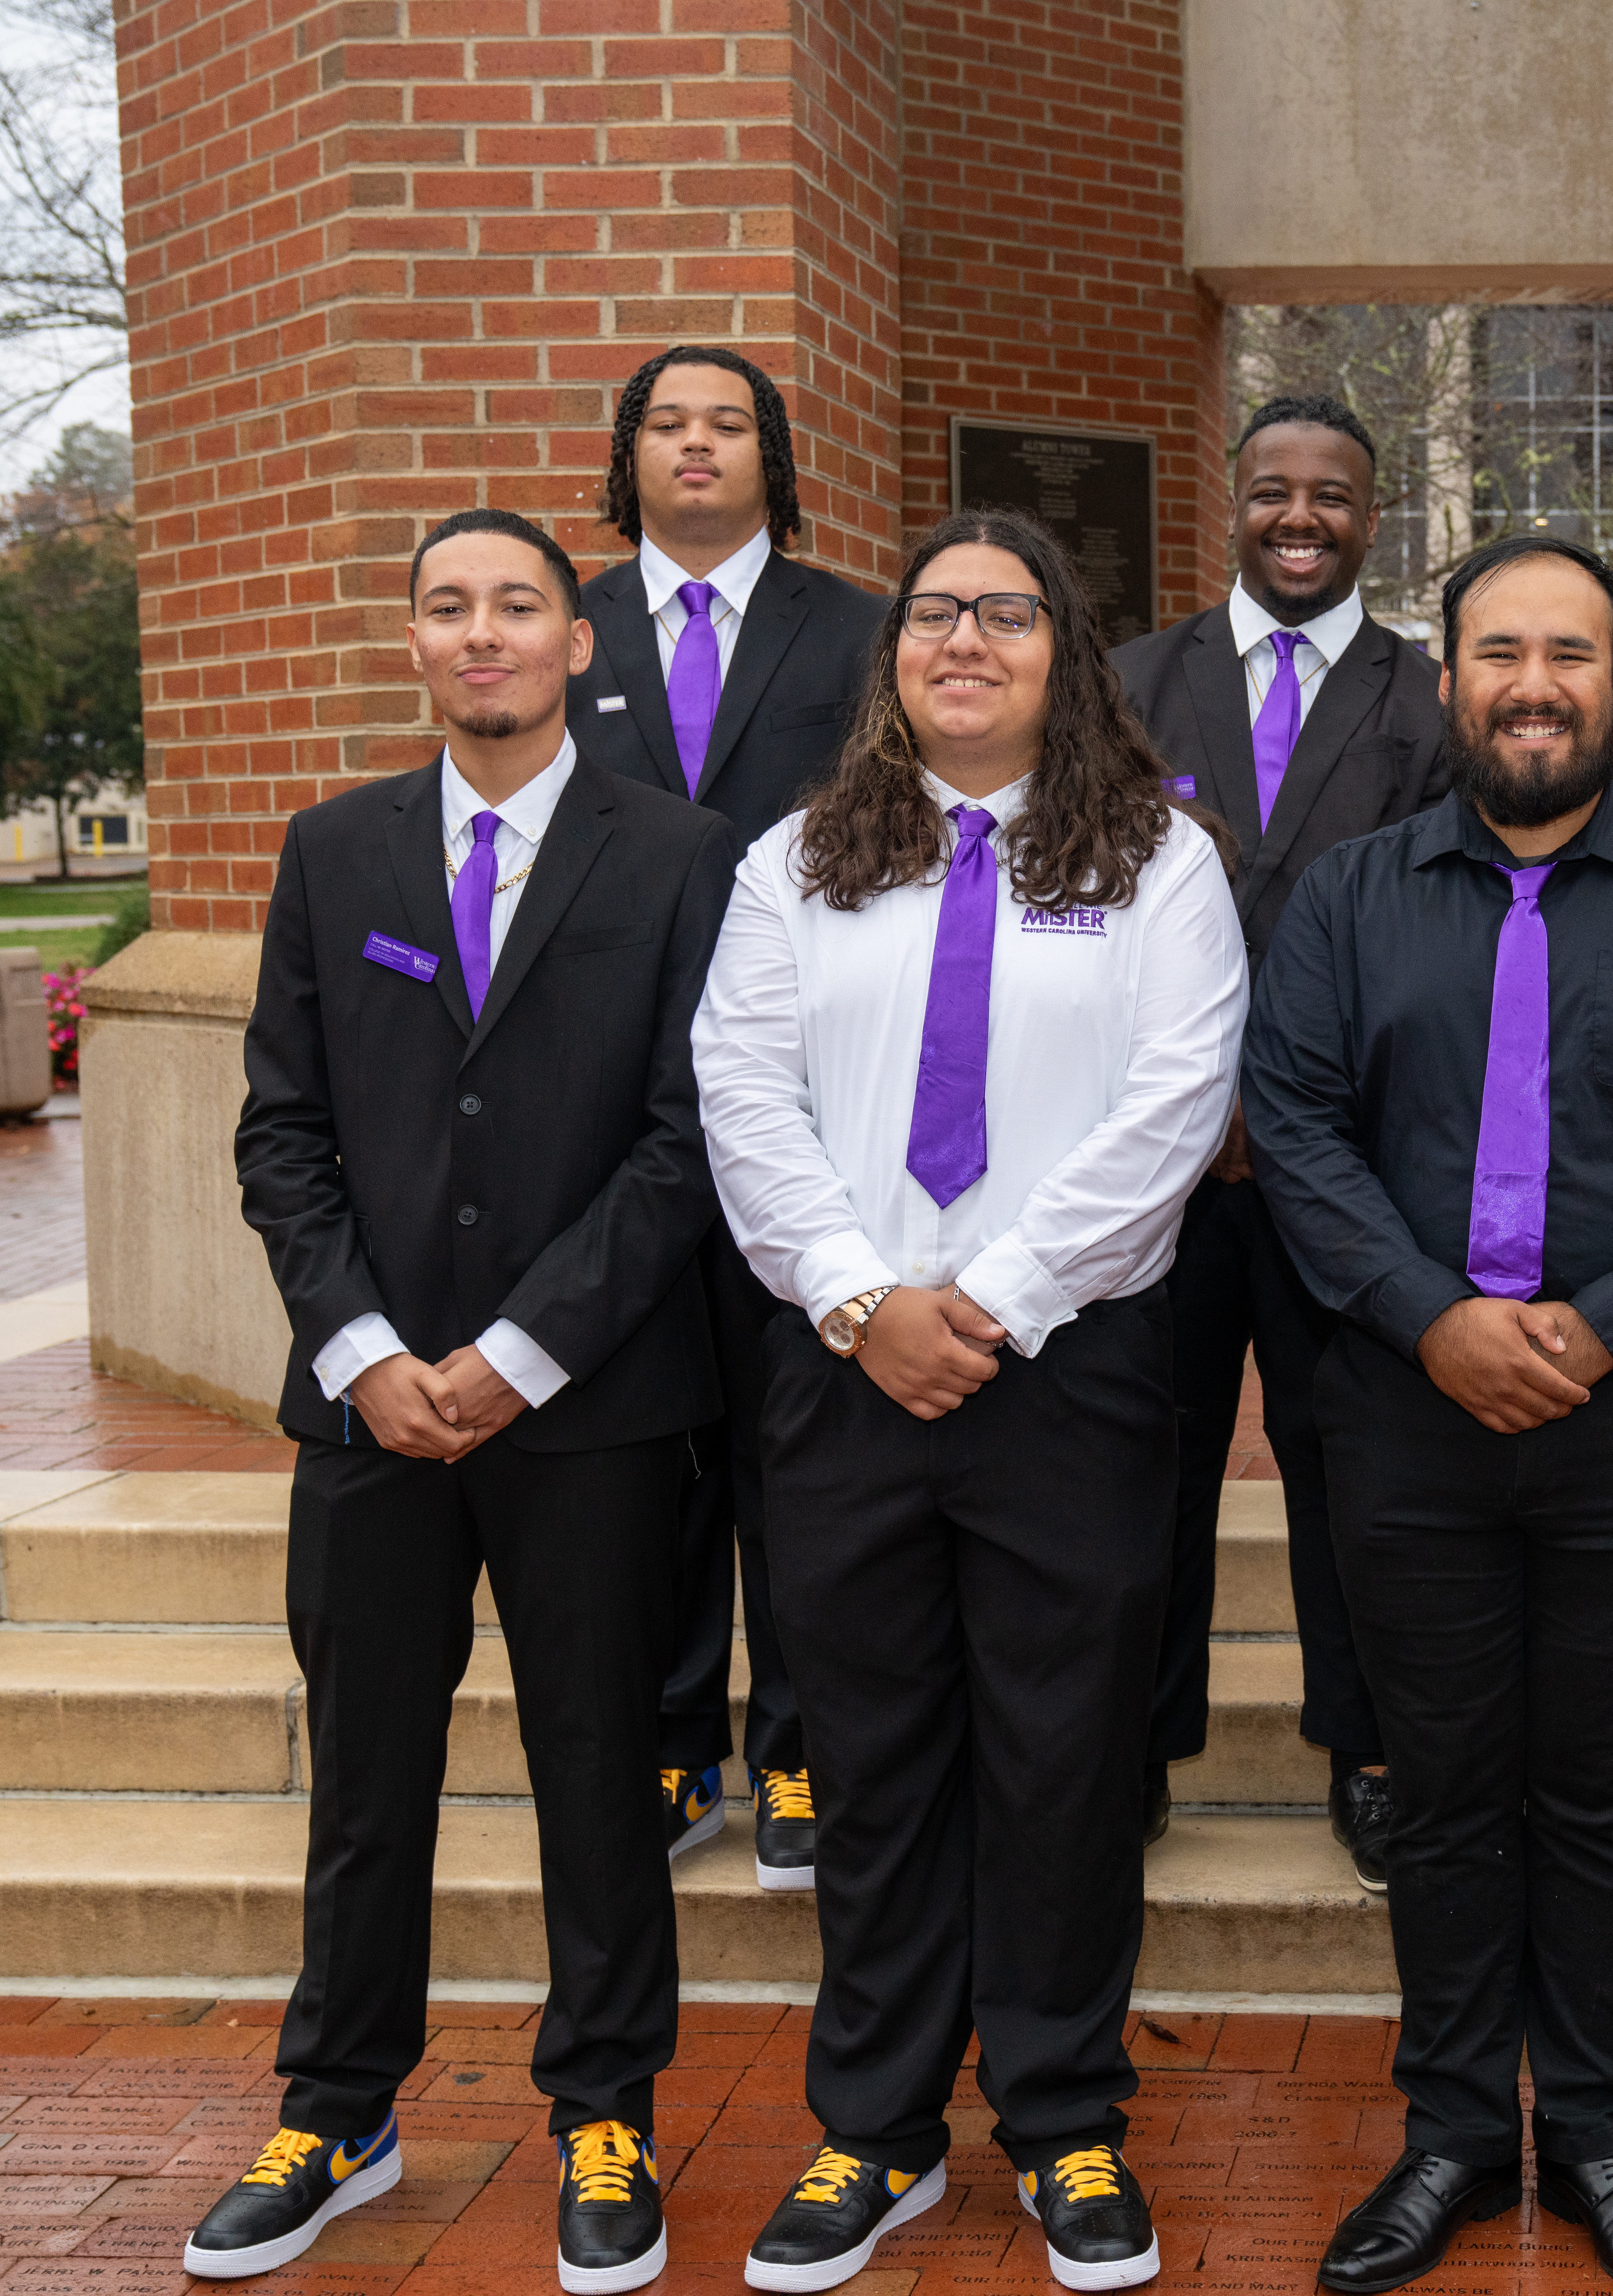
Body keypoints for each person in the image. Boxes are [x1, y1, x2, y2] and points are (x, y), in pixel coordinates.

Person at [1244, 534, 1613, 2296]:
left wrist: (1605, 1323)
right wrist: (1433, 1323)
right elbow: (1295, 1126)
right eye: (1499, 649)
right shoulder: (1346, 898)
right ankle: (1444, 2136)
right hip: (1405, 1416)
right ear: (1446, 686)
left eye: (1569, 653)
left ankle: (1593, 2133)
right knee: (1434, 1792)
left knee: (1593, 1798)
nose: (1533, 683)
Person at [692, 508, 1245, 2293]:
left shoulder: (1158, 861)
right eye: (936, 614)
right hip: (845, 1373)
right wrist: (863, 1300)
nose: (965, 641)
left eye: (1007, 616)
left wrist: (988, 1304)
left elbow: (1171, 1110)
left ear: (1060, 656)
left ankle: (1066, 2119)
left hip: (1065, 1376)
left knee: (1064, 1765)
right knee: (871, 1765)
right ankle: (874, 2132)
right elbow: (740, 1094)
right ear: (895, 654)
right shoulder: (798, 860)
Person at [214, 506, 740, 2292]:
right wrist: (364, 1353)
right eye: (449, 608)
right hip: (368, 1414)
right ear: (414, 642)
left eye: (518, 605)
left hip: (583, 1409)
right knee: (369, 1773)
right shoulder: (331, 848)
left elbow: (687, 1146)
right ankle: (339, 2102)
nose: (484, 634)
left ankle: (604, 2105)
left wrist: (519, 1354)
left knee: (605, 1767)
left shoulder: (679, 855)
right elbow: (282, 1131)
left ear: (579, 643)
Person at [1108, 393, 1449, 1872]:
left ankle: (1365, 1746)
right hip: (1155, 1179)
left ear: (1375, 521)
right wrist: (1200, 1103)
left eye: (1331, 496)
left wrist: (1286, 1105)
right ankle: (1136, 1748)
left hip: (1351, 1167)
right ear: (1231, 506)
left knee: (1350, 1469)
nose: (1299, 518)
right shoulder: (1124, 683)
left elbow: (1437, 937)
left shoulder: (1433, 699)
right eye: (1272, 492)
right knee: (1150, 1463)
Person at [571, 344, 887, 1892]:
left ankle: (805, 1746)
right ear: (626, 455)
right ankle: (672, 1730)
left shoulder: (860, 628)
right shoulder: (565, 628)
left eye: (729, 424)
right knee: (652, 1440)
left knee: (797, 1439)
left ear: (773, 454)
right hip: (614, 1100)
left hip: (807, 1094)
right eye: (667, 424)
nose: (698, 448)